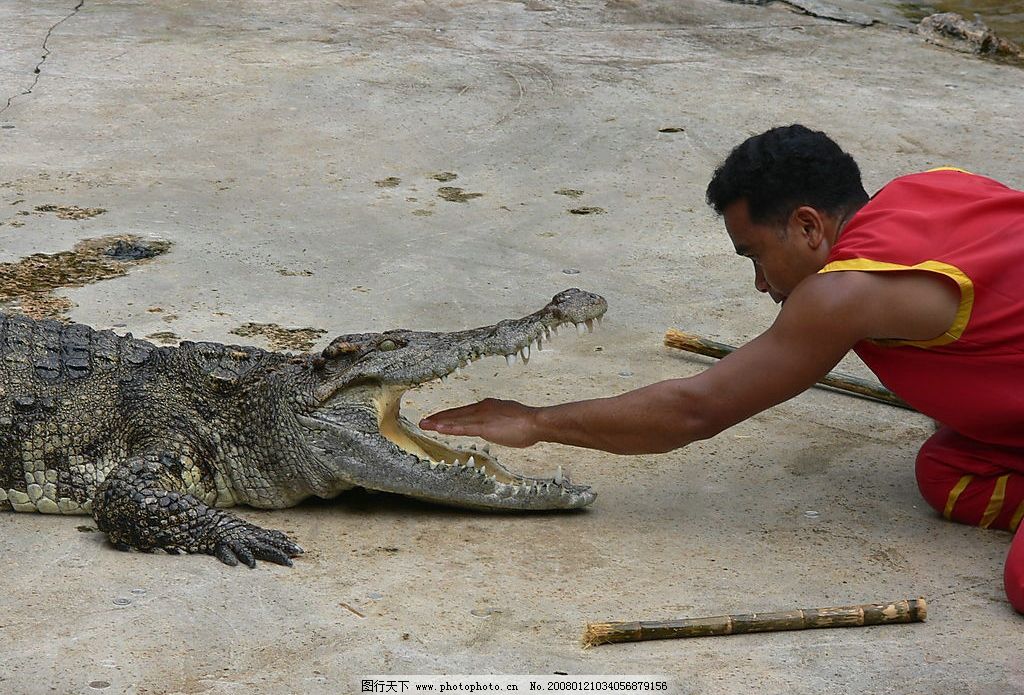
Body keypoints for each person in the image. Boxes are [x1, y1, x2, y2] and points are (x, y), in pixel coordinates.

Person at [419, 124, 1024, 614]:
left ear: (809, 225)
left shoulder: (842, 293)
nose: (760, 283)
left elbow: (695, 409)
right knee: (946, 474)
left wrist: (535, 421)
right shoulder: (937, 184)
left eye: (756, 254)